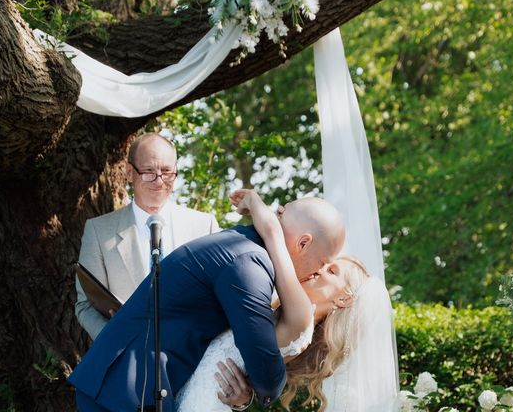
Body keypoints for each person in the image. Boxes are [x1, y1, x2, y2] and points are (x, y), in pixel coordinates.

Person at [68, 191, 346, 412]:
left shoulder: (242, 244)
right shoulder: (250, 263)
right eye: (322, 263)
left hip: (130, 384)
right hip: (129, 388)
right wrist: (263, 390)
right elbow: (264, 366)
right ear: (303, 243)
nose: (317, 272)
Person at [177, 189, 371, 412]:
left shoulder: (302, 316)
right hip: (199, 391)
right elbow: (253, 372)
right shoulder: (292, 318)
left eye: (333, 271)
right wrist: (243, 399)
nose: (321, 269)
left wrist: (254, 200)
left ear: (344, 299)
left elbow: (272, 236)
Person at [75, 132, 220, 340]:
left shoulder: (204, 226)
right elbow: (85, 305)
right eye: (148, 171)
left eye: (167, 171)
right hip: (127, 359)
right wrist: (116, 340)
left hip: (195, 355)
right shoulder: (99, 231)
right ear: (129, 172)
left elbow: (224, 296)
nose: (158, 181)